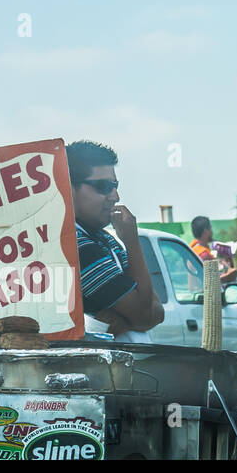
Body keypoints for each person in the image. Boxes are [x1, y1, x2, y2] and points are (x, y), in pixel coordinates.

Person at [68, 140, 164, 341]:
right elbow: (145, 315)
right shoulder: (76, 246)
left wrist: (126, 321)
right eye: (103, 186)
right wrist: (132, 242)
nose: (115, 196)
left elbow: (156, 312)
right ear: (68, 188)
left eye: (115, 186)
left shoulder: (104, 240)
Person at [191, 215, 237, 284]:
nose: (211, 232)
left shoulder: (193, 249)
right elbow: (211, 283)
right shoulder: (204, 255)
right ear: (205, 231)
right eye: (210, 228)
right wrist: (229, 275)